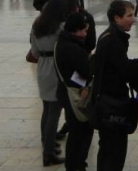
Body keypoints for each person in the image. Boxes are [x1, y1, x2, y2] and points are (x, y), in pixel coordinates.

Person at [92, 0, 138, 171]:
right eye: (129, 15)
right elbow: (124, 70)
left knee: (108, 149)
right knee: (114, 151)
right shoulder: (113, 40)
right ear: (116, 18)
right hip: (112, 103)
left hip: (107, 100)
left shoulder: (109, 36)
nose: (133, 19)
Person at [30, 0, 68, 167]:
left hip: (42, 68)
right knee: (54, 112)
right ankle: (49, 153)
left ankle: (48, 144)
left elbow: (35, 51)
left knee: (46, 109)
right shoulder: (61, 28)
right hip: (55, 68)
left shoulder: (37, 26)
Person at [54, 12, 94, 171]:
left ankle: (74, 164)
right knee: (80, 133)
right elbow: (86, 71)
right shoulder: (73, 47)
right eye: (83, 30)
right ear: (74, 30)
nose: (85, 34)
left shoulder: (62, 42)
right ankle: (76, 165)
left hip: (65, 91)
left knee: (76, 132)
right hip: (75, 94)